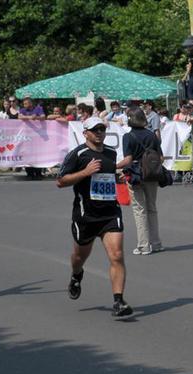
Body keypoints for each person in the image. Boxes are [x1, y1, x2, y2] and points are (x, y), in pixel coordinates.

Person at [57, 117, 133, 318]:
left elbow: (106, 176)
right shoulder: (77, 154)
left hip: (110, 213)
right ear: (85, 133)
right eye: (95, 129)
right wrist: (85, 172)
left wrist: (117, 177)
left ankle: (118, 301)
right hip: (86, 215)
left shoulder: (110, 153)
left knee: (117, 255)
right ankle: (76, 275)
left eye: (102, 129)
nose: (99, 132)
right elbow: (61, 181)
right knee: (79, 257)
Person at [116, 107, 164, 256]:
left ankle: (143, 245)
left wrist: (114, 166)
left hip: (135, 175)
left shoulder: (128, 136)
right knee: (152, 208)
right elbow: (161, 157)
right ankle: (156, 243)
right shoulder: (151, 135)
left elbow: (128, 160)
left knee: (139, 209)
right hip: (151, 174)